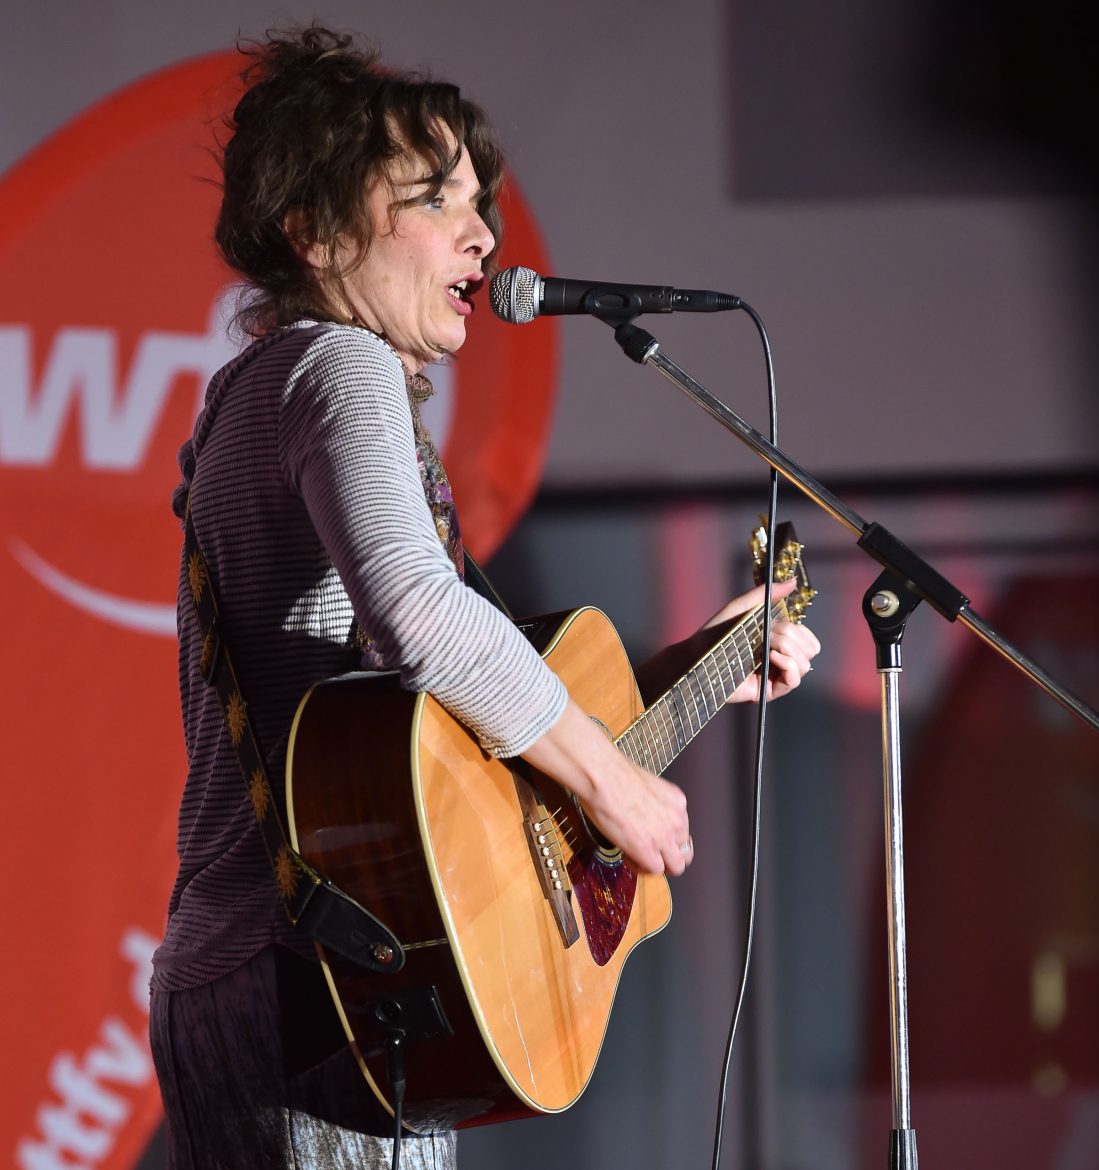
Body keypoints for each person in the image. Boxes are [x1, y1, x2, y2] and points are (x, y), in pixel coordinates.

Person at [149, 23, 821, 1170]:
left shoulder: (263, 391)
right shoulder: (339, 363)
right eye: (434, 200)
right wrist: (615, 784)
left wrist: (695, 672)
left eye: (480, 201)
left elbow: (450, 745)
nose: (484, 235)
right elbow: (416, 613)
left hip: (294, 972)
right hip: (328, 978)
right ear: (313, 231)